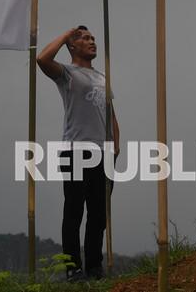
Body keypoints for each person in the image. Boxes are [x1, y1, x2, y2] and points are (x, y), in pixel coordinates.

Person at [37, 26, 120, 281]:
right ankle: (73, 268)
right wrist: (64, 36)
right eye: (85, 38)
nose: (92, 41)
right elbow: (42, 59)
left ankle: (94, 267)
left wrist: (116, 145)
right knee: (74, 211)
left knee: (99, 213)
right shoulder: (67, 74)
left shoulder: (103, 77)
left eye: (93, 38)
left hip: (102, 152)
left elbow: (110, 113)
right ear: (73, 46)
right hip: (76, 150)